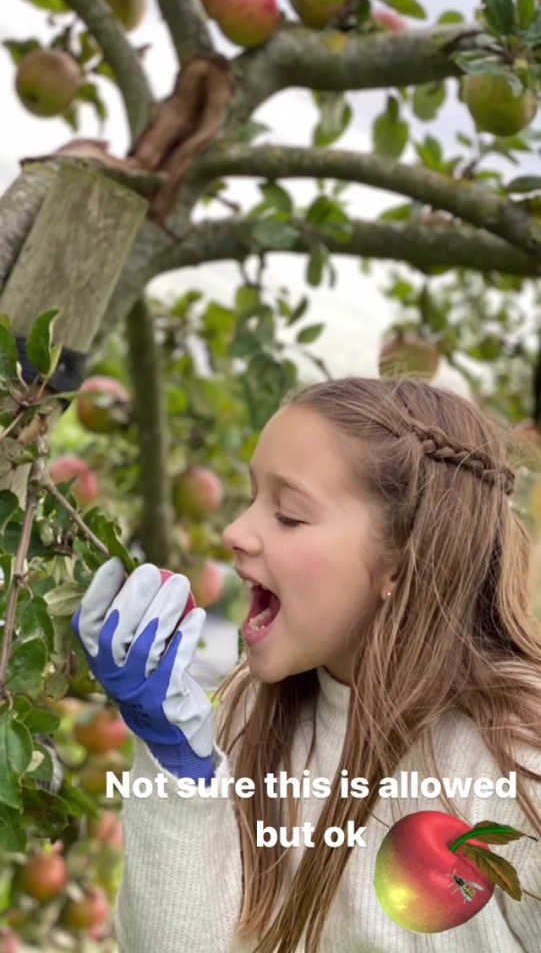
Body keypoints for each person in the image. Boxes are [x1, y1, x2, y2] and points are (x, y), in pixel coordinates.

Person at [72, 375, 541, 953]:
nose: (235, 531)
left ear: (400, 560)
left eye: (288, 515)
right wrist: (178, 768)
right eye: (250, 498)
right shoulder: (251, 715)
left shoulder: (516, 763)